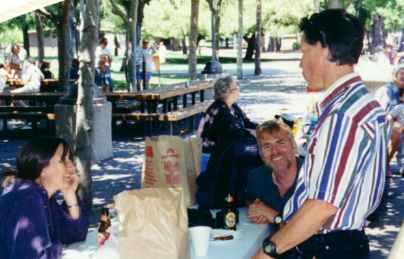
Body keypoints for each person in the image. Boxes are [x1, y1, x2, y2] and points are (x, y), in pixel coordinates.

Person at [253, 9, 387, 259]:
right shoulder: (361, 104)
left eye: (304, 51)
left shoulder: (343, 115)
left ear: (325, 48)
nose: (300, 62)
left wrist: (267, 252)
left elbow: (322, 207)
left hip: (325, 249)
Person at [0, 137, 89, 259]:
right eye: (63, 160)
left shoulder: (44, 195)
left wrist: (69, 194)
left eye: (70, 159)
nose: (72, 167)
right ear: (42, 168)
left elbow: (74, 235)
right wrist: (56, 249)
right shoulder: (27, 199)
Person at [196, 76, 262, 209]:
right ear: (227, 92)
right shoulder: (220, 110)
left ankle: (244, 194)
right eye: (236, 88)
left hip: (227, 152)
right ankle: (239, 196)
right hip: (212, 156)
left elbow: (247, 123)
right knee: (252, 157)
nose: (238, 90)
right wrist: (255, 135)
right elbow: (236, 133)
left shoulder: (233, 107)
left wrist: (264, 128)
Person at [246, 120, 304, 226]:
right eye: (267, 146)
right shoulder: (256, 177)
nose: (275, 152)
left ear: (294, 145)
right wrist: (256, 210)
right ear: (260, 153)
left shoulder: (313, 176)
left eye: (280, 143)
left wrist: (274, 217)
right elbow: (251, 201)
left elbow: (309, 233)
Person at [375, 64, 404, 173]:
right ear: (394, 75)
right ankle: (385, 164)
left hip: (401, 124)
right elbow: (379, 113)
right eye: (401, 73)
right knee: (396, 133)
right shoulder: (385, 90)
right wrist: (393, 123)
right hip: (386, 124)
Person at [388, 90, 404, 175]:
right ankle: (387, 164)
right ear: (401, 98)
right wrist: (392, 126)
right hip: (400, 134)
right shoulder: (400, 107)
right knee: (397, 141)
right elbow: (390, 116)